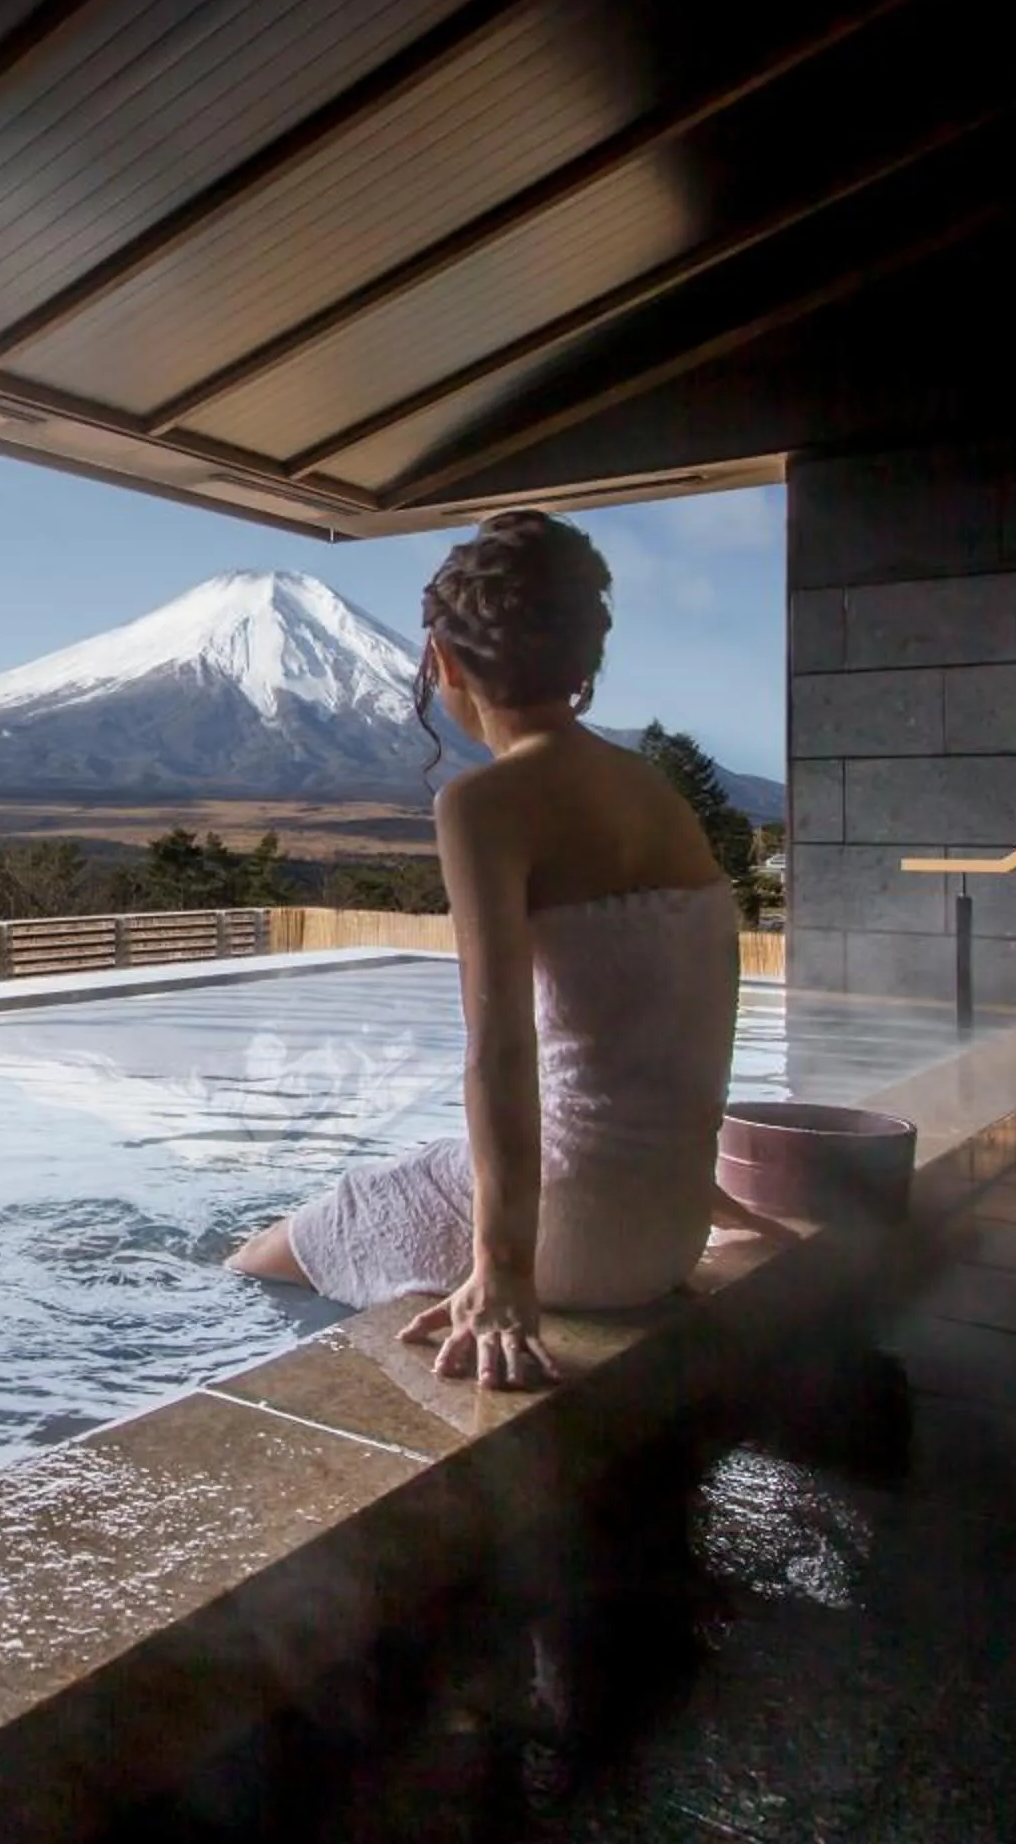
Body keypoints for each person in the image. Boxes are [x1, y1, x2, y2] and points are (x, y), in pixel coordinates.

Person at [228, 511, 752, 1391]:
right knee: (421, 1174)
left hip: (567, 1239)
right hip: (668, 1230)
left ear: (446, 664)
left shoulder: (487, 803)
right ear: (584, 660)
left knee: (259, 1259)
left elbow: (499, 1047)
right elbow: (688, 1015)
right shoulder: (656, 793)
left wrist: (505, 1272)